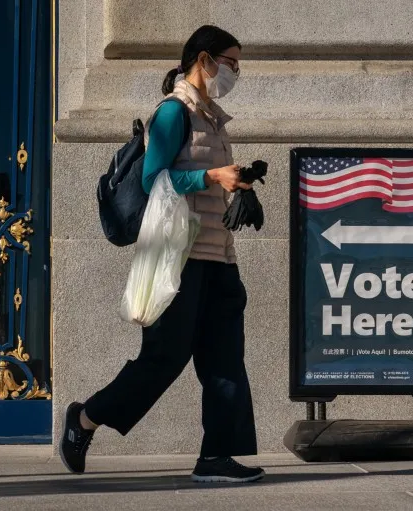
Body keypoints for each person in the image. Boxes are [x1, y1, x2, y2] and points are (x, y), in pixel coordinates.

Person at [59, 25, 264, 484]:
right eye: (230, 63)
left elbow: (207, 177)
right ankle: (84, 418)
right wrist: (213, 178)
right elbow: (155, 182)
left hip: (219, 259)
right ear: (205, 60)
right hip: (180, 260)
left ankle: (216, 457)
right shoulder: (173, 113)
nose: (234, 72)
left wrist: (241, 192)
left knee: (226, 361)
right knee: (162, 361)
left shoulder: (213, 117)